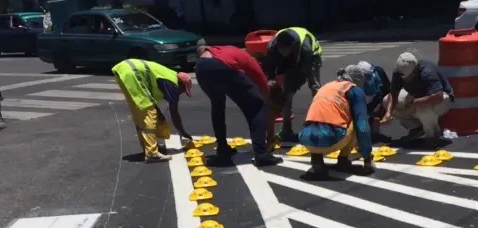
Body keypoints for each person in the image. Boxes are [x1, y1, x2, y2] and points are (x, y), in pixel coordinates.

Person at [194, 39, 284, 167]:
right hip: (222, 65)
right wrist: (266, 101)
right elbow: (262, 82)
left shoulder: (215, 51)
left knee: (217, 106)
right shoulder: (245, 56)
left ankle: (222, 150)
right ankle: (261, 154)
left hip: (201, 69)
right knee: (257, 107)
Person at [112, 58, 193, 163]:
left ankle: (148, 148)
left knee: (140, 113)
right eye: (183, 90)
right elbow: (174, 113)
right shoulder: (172, 85)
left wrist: (159, 113)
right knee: (149, 114)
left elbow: (150, 97)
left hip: (124, 71)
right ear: (180, 83)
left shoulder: (169, 75)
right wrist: (182, 132)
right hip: (132, 73)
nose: (181, 92)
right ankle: (152, 154)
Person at [299, 65, 373, 177]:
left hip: (306, 139)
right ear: (358, 80)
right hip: (332, 139)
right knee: (355, 120)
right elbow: (362, 126)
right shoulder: (355, 90)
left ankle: (317, 160)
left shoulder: (326, 86)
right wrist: (367, 159)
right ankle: (343, 160)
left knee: (319, 120)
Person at [263, 27, 322, 143]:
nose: (284, 52)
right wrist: (271, 79)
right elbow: (270, 64)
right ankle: (286, 129)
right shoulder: (272, 46)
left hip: (311, 58)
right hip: (292, 61)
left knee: (315, 89)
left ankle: (318, 127)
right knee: (286, 94)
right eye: (281, 50)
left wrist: (298, 81)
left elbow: (305, 70)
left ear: (292, 46)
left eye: (286, 50)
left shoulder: (305, 47)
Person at [382, 51, 454, 143]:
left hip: (442, 97)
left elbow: (438, 97)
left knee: (423, 110)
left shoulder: (427, 72)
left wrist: (415, 103)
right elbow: (393, 94)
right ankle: (418, 127)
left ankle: (432, 135)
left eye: (407, 77)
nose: (403, 78)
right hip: (417, 96)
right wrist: (388, 112)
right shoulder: (399, 72)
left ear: (415, 70)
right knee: (386, 100)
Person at [356, 60, 391, 141]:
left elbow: (388, 91)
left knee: (376, 112)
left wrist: (386, 109)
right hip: (361, 101)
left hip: (377, 99)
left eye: (370, 75)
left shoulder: (379, 72)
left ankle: (375, 134)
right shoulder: (354, 79)